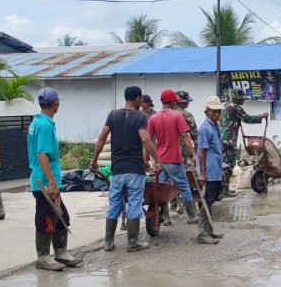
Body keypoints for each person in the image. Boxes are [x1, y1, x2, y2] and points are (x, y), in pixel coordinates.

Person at [89, 86, 162, 253]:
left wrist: (94, 160)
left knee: (114, 203)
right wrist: (156, 159)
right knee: (135, 203)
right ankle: (132, 242)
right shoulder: (140, 117)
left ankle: (108, 242)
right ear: (138, 99)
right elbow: (145, 139)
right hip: (135, 169)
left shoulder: (113, 115)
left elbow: (102, 138)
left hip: (117, 169)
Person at [149, 89, 216, 245]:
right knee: (184, 186)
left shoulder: (153, 117)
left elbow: (149, 139)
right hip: (174, 159)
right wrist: (193, 153)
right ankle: (192, 216)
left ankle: (165, 218)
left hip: (160, 160)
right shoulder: (178, 116)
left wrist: (147, 158)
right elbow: (185, 136)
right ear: (173, 102)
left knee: (161, 188)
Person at [28, 87, 82, 271]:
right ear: (56, 104)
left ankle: (60, 252)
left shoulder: (37, 122)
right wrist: (51, 182)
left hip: (43, 178)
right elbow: (42, 155)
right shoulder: (44, 126)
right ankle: (43, 257)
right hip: (44, 181)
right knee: (47, 219)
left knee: (61, 216)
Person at [220, 87, 269, 195]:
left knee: (222, 164)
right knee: (229, 165)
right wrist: (261, 116)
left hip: (221, 139)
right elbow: (247, 119)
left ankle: (222, 190)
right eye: (241, 98)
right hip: (229, 140)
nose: (243, 100)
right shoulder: (235, 108)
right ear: (236, 98)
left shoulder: (225, 106)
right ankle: (225, 190)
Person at [196, 95, 227, 240]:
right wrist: (202, 173)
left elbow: (217, 150)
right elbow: (201, 152)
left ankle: (209, 230)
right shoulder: (205, 128)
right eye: (214, 111)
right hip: (208, 171)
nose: (217, 114)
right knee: (206, 201)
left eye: (218, 112)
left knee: (211, 200)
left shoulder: (215, 126)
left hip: (215, 169)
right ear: (206, 111)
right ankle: (202, 233)